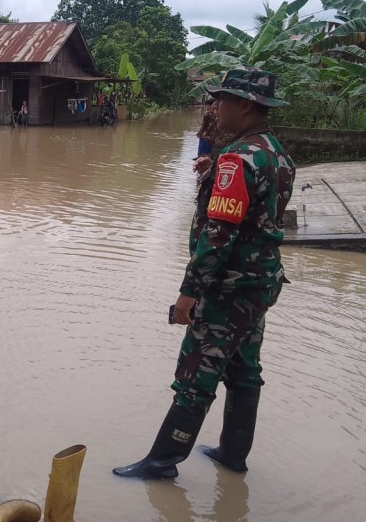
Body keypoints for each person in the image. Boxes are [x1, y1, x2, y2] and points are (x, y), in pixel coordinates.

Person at [114, 68, 295, 480]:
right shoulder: (276, 153)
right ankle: (233, 454)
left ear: (246, 106)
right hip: (260, 283)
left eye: (223, 100)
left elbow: (218, 236)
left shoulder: (237, 161)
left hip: (227, 288)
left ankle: (162, 462)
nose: (215, 107)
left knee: (196, 373)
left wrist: (188, 294)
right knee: (244, 368)